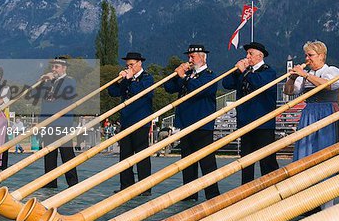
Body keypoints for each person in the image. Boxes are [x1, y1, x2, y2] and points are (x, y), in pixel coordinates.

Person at [164, 44, 220, 201]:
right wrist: (176, 74)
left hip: (202, 125)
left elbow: (200, 90)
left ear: (202, 58)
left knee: (207, 162)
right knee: (187, 162)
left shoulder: (209, 75)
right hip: (186, 124)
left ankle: (212, 195)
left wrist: (184, 77)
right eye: (189, 57)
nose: (189, 59)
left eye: (192, 57)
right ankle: (189, 194)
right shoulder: (187, 75)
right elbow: (168, 87)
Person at [222, 42, 278, 185]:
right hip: (245, 122)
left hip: (263, 123)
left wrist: (244, 72)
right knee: (246, 161)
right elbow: (226, 84)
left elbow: (258, 83)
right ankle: (246, 191)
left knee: (267, 161)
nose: (247, 57)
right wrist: (236, 70)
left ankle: (274, 189)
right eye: (247, 54)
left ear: (260, 56)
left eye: (250, 54)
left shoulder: (268, 72)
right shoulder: (244, 72)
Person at [284, 40, 339, 161]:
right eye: (306, 55)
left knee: (326, 145)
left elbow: (329, 85)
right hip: (309, 113)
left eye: (310, 55)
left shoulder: (332, 70)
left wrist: (305, 75)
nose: (307, 58)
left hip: (327, 112)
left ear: (321, 56)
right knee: (306, 147)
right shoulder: (307, 73)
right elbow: (289, 92)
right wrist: (292, 78)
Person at [108, 52, 154, 196]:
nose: (129, 67)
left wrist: (130, 79)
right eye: (127, 65)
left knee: (142, 156)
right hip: (126, 121)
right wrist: (119, 80)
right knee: (125, 155)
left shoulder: (147, 78)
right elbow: (113, 92)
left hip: (141, 122)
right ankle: (126, 186)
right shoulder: (127, 79)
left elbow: (141, 93)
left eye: (131, 65)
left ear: (140, 63)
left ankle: (145, 188)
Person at [37, 56, 78, 188]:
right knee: (49, 154)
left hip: (63, 123)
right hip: (48, 123)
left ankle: (73, 183)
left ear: (64, 68)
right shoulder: (47, 82)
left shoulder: (70, 81)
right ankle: (50, 183)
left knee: (67, 154)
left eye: (57, 67)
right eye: (52, 67)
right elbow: (40, 100)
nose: (53, 69)